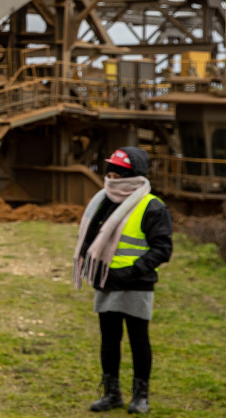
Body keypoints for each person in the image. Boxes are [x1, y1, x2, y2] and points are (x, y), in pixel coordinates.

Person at [73, 147, 172, 414]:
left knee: (139, 341)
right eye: (110, 172)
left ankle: (141, 396)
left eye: (119, 173)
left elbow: (162, 249)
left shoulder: (152, 206)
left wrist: (130, 272)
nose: (112, 178)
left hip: (136, 284)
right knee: (109, 340)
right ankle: (112, 393)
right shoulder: (103, 201)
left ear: (132, 175)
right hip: (106, 282)